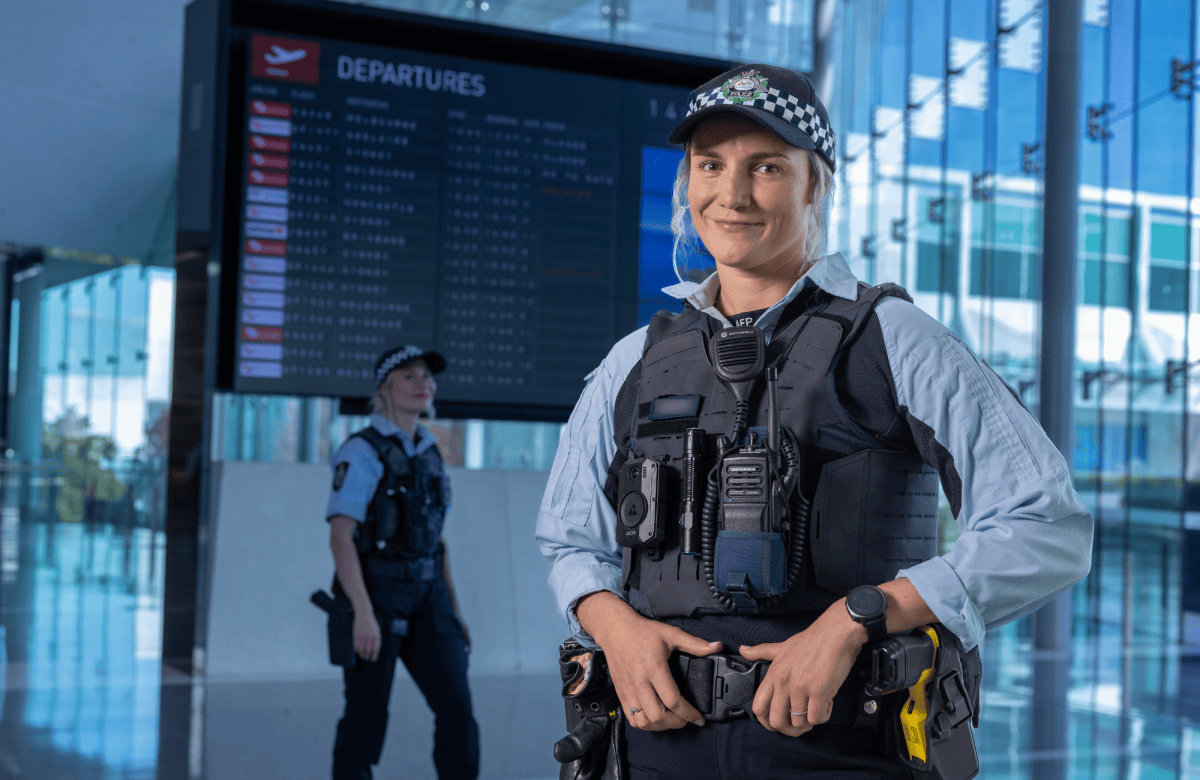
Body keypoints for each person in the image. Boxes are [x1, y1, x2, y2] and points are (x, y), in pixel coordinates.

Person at [536, 63, 1093, 778]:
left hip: (844, 749)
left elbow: (1048, 526)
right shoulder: (633, 361)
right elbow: (570, 540)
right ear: (687, 181)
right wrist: (613, 626)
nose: (731, 194)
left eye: (766, 167)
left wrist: (858, 617)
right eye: (711, 165)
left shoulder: (893, 339)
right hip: (654, 747)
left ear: (817, 183)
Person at [327, 345, 479, 780]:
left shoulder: (430, 451)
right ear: (385, 388)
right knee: (366, 718)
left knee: (458, 714)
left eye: (427, 377)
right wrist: (362, 615)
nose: (423, 384)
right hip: (376, 594)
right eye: (409, 376)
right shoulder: (361, 451)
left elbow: (436, 540)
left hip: (429, 596)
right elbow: (341, 538)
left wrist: (454, 610)